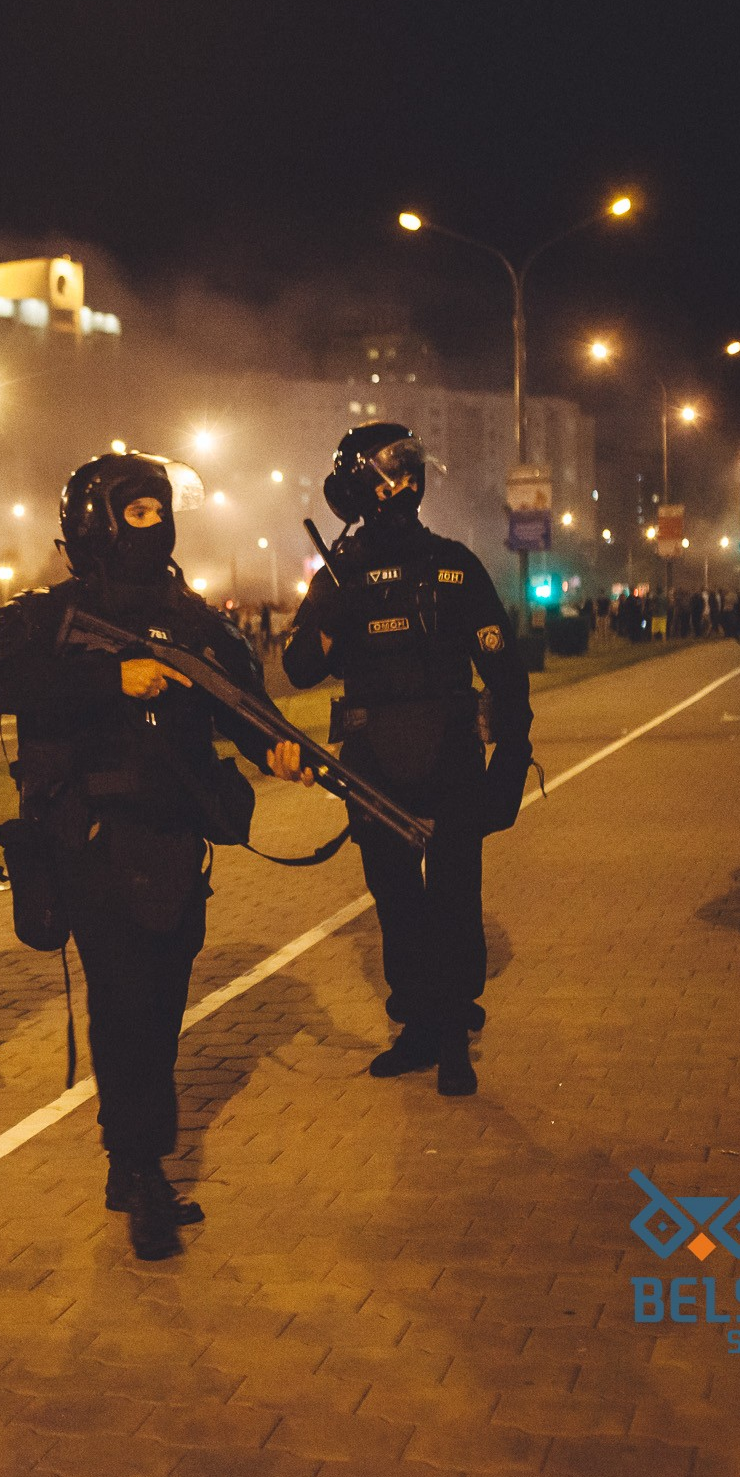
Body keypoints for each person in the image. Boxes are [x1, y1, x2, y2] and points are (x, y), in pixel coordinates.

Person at [0, 450, 311, 1261]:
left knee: (160, 1009)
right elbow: (9, 680)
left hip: (174, 842)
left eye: (159, 511)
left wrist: (280, 752)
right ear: (94, 520)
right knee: (124, 1004)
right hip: (92, 841)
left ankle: (129, 1158)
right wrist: (111, 683)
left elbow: (248, 707)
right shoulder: (48, 617)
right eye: (135, 512)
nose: (153, 526)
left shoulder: (194, 619)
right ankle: (142, 1168)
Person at [282, 422, 533, 1097]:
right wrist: (334, 616)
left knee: (439, 898)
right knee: (407, 901)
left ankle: (449, 1036)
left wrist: (513, 756)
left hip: (423, 754)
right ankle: (424, 1028)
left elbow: (503, 671)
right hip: (398, 758)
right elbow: (301, 665)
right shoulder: (365, 571)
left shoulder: (437, 566)